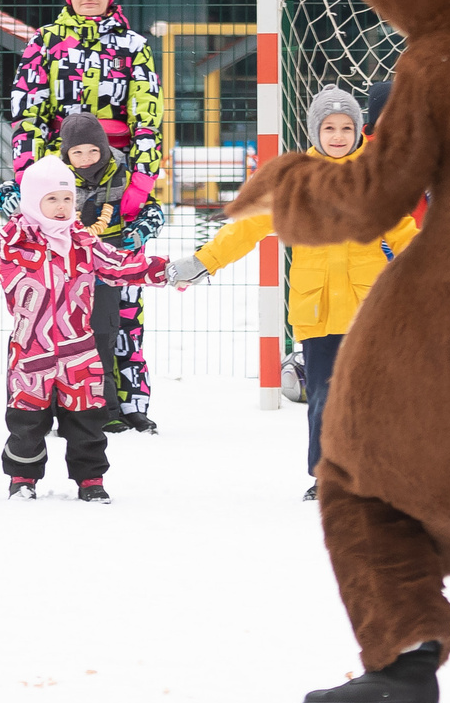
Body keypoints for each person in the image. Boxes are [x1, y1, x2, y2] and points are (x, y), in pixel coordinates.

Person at [171, 85, 419, 500]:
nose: (338, 135)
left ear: (360, 130)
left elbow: (408, 236)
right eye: (329, 128)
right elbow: (248, 227)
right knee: (323, 398)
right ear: (313, 131)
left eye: (346, 127)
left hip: (369, 313)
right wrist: (204, 261)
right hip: (318, 314)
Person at [0, 154, 176, 503]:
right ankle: (22, 478)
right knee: (26, 419)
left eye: (68, 199)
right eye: (52, 199)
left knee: (87, 419)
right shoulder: (9, 246)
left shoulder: (84, 245)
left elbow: (124, 266)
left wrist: (170, 271)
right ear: (32, 201)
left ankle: (91, 481)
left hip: (79, 350)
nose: (61, 207)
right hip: (31, 350)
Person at [6, 0, 167, 425]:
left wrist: (139, 184)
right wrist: (30, 182)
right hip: (58, 183)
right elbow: (28, 117)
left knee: (123, 296)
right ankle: (59, 403)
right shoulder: (45, 44)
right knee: (58, 300)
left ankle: (124, 403)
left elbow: (147, 119)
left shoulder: (133, 46)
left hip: (117, 181)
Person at [55, 110, 166, 432]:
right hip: (71, 270)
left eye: (93, 150)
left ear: (104, 148)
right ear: (67, 154)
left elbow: (151, 208)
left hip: (119, 265)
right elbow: (33, 202)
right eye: (78, 152)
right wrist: (10, 195)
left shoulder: (124, 174)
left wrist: (141, 230)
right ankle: (75, 409)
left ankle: (130, 407)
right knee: (73, 339)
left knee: (122, 335)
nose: (87, 158)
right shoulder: (57, 178)